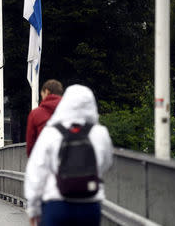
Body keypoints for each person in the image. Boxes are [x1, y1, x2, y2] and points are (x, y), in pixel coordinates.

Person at [24, 84, 113, 226]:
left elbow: (36, 171)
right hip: (89, 204)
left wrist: (33, 208)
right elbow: (106, 164)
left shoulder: (50, 133)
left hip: (56, 203)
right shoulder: (100, 133)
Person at [26, 79, 63, 157]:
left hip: (44, 160)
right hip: (66, 161)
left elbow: (30, 144)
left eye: (42, 95)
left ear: (46, 92)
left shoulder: (36, 114)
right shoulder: (69, 111)